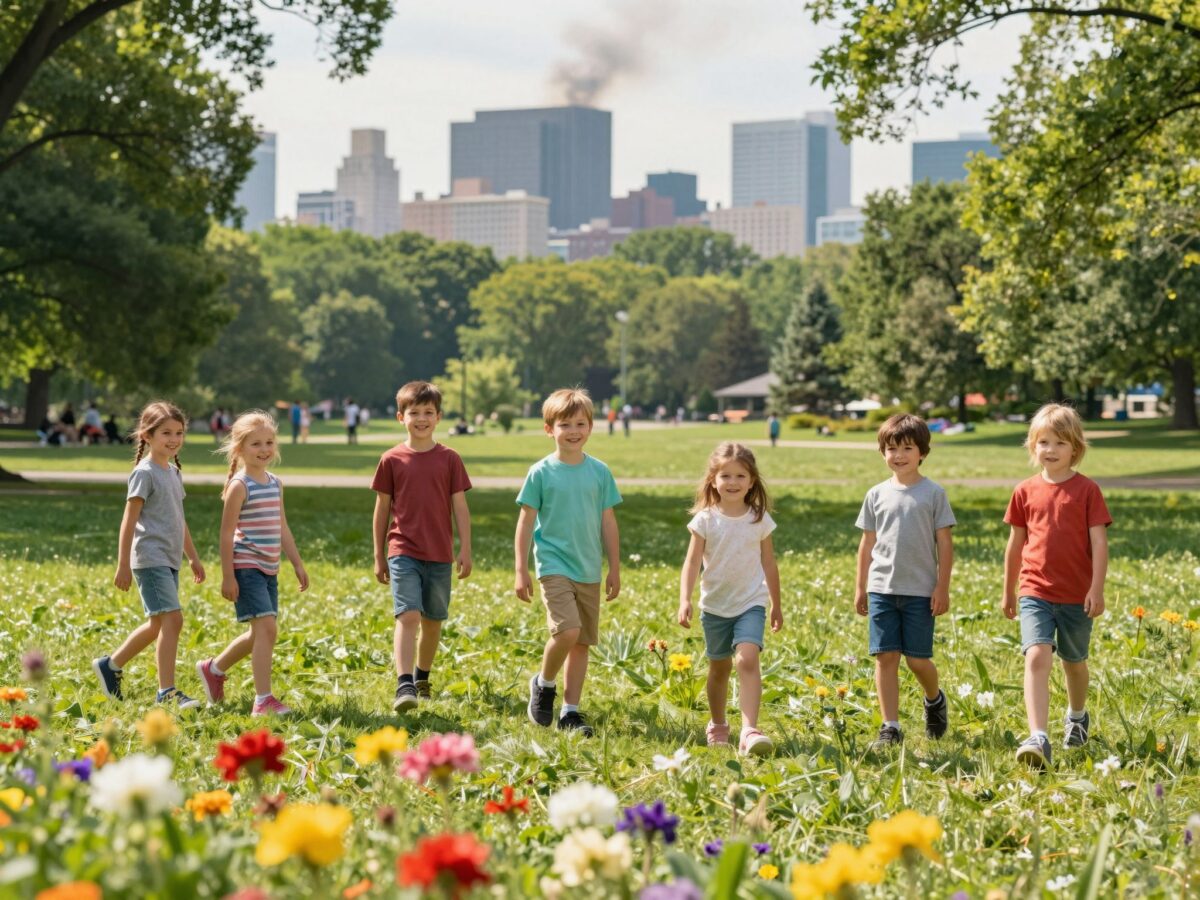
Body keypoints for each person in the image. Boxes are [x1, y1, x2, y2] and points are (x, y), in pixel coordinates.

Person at [1003, 403, 1111, 769]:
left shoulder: (1087, 491)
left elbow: (1099, 543)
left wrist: (1096, 589)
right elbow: (1016, 544)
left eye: (1060, 443)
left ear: (1075, 449)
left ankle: (1077, 716)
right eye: (1043, 442)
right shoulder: (1024, 491)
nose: (1050, 450)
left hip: (1076, 595)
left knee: (1074, 662)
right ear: (1033, 446)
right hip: (1035, 590)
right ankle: (1039, 736)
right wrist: (1009, 590)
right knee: (1036, 655)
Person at [516, 388, 621, 736]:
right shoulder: (541, 472)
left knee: (581, 643)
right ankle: (544, 683)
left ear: (591, 427)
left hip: (589, 567)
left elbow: (608, 522)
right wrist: (521, 569)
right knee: (568, 630)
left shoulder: (600, 472)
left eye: (580, 423)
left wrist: (615, 568)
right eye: (565, 424)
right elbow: (526, 522)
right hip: (553, 565)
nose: (573, 430)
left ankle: (570, 712)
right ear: (549, 429)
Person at [93, 401, 205, 708]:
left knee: (159, 625)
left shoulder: (173, 472)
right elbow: (128, 521)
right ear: (147, 435)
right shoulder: (144, 473)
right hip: (149, 556)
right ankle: (167, 692)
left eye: (179, 433)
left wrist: (192, 557)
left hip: (169, 558)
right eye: (166, 432)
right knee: (173, 621)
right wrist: (123, 565)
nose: (173, 439)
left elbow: (179, 520)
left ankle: (110, 665)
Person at [196, 411, 309, 715]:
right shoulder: (239, 485)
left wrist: (297, 563)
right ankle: (263, 701)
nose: (264, 449)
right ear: (240, 449)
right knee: (267, 630)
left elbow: (282, 526)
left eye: (269, 442)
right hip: (246, 568)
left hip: (270, 568)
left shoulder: (275, 483)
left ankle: (214, 669)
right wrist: (228, 576)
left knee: (260, 633)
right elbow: (226, 533)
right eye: (256, 444)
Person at [855, 414, 955, 749]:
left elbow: (945, 543)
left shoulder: (933, 494)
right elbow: (867, 544)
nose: (899, 455)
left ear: (922, 452)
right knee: (886, 657)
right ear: (882, 452)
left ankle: (934, 699)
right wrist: (861, 586)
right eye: (892, 448)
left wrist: (942, 586)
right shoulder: (875, 494)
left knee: (917, 659)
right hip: (882, 588)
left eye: (907, 448)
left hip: (919, 592)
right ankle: (891, 726)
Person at [372, 381, 473, 712]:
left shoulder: (450, 459)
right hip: (403, 550)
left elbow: (460, 507)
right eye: (414, 413)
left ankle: (422, 676)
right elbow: (382, 510)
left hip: (440, 554)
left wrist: (465, 548)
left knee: (433, 621)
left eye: (428, 412)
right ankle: (404, 684)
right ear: (401, 417)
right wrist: (378, 555)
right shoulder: (391, 459)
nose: (421, 419)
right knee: (408, 615)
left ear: (439, 417)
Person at [678, 442, 782, 755]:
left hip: (751, 602)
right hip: (714, 607)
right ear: (713, 480)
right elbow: (692, 563)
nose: (733, 482)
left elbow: (769, 563)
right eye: (725, 476)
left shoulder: (759, 519)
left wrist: (776, 603)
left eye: (740, 476)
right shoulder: (705, 520)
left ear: (752, 481)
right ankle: (719, 724)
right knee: (719, 668)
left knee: (747, 659)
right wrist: (685, 599)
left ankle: (750, 730)